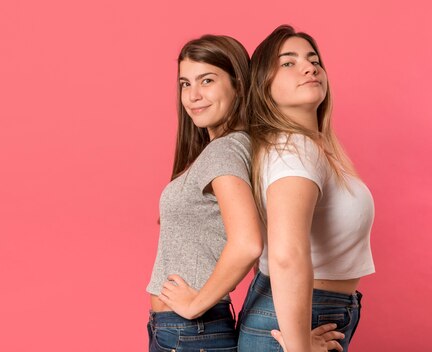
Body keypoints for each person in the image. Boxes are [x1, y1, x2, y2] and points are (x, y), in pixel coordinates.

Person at [236, 25, 375, 352]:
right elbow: (286, 256)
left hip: (307, 312)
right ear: (264, 86)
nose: (310, 67)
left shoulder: (312, 148)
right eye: (288, 62)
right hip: (299, 319)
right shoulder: (293, 150)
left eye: (314, 60)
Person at [145, 34, 261, 352]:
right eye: (185, 83)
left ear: (238, 84)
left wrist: (196, 305)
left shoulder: (224, 150)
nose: (193, 95)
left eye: (207, 80)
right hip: (185, 331)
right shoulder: (226, 148)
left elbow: (249, 243)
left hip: (191, 330)